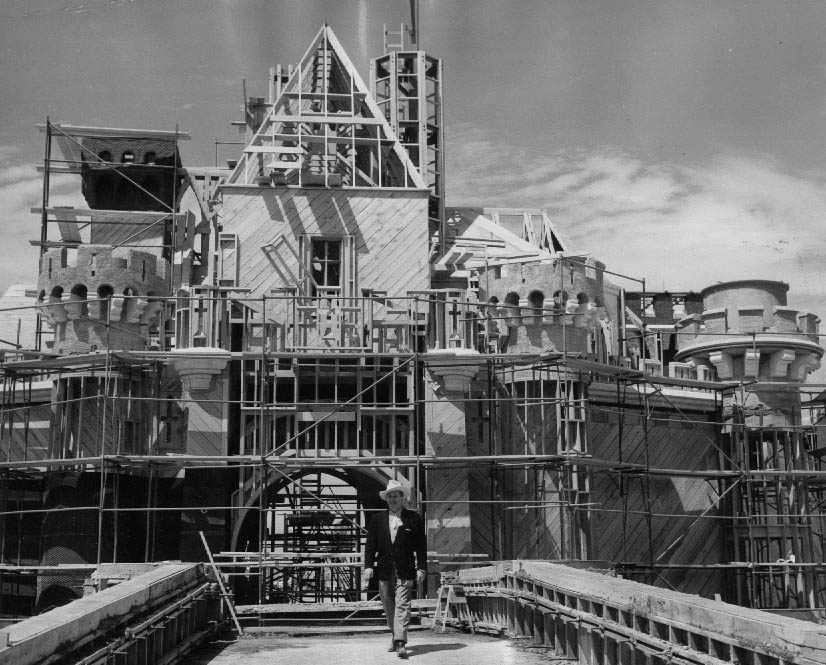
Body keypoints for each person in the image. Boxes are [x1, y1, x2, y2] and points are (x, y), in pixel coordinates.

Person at [362, 479, 427, 659]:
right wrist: (368, 566)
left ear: (402, 498)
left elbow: (421, 546)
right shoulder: (377, 520)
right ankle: (394, 634)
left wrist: (421, 568)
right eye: (389, 496)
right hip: (384, 570)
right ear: (386, 499)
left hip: (405, 570)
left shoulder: (413, 518)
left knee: (403, 604)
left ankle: (400, 642)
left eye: (396, 496)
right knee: (389, 605)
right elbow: (370, 546)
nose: (392, 499)